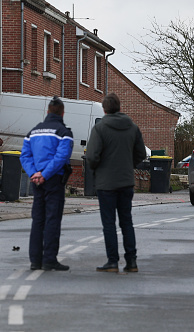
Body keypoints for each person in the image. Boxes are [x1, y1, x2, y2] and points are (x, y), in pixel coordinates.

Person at [86, 93, 146, 273]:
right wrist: (129, 165)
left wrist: (98, 168)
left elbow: (92, 156)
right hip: (126, 181)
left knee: (109, 223)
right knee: (127, 222)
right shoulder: (132, 127)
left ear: (104, 109)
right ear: (119, 107)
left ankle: (112, 261)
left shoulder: (100, 128)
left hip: (106, 184)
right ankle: (132, 261)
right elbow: (141, 153)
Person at [20, 96, 73, 271]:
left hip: (37, 181)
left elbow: (25, 156)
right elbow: (61, 157)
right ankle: (49, 259)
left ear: (47, 111)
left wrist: (34, 174)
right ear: (63, 113)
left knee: (38, 220)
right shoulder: (64, 133)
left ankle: (35, 260)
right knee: (52, 220)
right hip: (54, 180)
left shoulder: (32, 132)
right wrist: (45, 174)